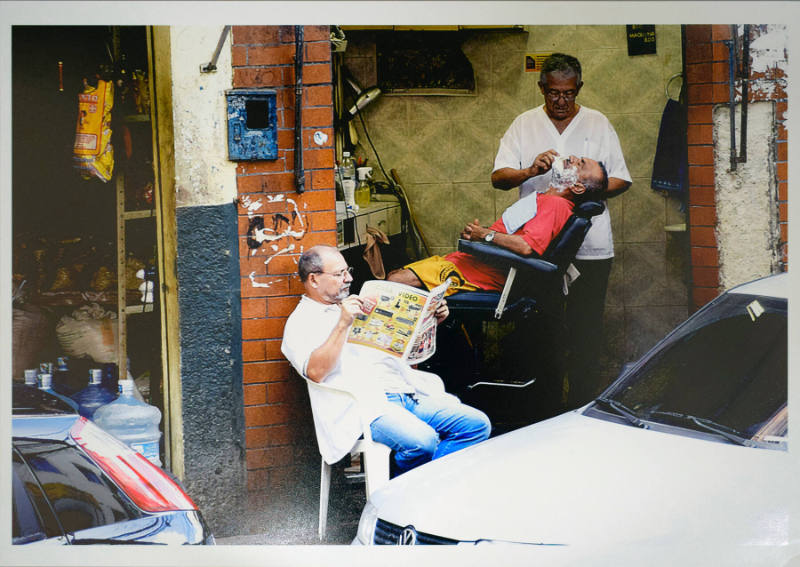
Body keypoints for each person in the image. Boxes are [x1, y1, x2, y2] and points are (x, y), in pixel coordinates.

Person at [491, 52, 632, 409]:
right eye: (553, 92)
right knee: (541, 332)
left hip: (591, 247)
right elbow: (498, 177)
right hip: (538, 250)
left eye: (568, 93)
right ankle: (545, 410)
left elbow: (621, 179)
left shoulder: (598, 123)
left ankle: (584, 408)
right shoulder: (524, 124)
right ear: (541, 89)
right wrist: (529, 172)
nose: (560, 101)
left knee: (586, 331)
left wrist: (584, 190)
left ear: (578, 88)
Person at [281, 245, 491, 477]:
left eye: (347, 270)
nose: (349, 278)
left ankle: (422, 488)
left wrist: (431, 320)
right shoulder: (300, 322)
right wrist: (343, 324)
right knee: (423, 441)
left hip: (404, 392)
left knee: (476, 425)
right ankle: (409, 496)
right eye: (339, 274)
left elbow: (404, 350)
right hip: (364, 407)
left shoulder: (358, 304)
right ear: (314, 279)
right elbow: (316, 372)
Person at [387, 155, 608, 295]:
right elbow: (517, 235)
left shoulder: (556, 205)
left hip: (482, 273)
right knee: (396, 276)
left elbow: (525, 247)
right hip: (472, 263)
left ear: (578, 187)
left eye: (580, 164)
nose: (572, 158)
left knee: (394, 282)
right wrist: (478, 235)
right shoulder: (546, 199)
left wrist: (485, 236)